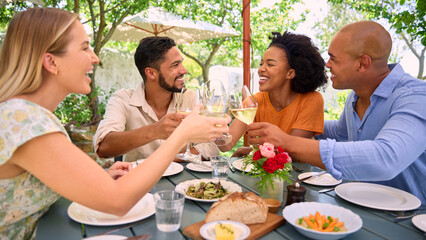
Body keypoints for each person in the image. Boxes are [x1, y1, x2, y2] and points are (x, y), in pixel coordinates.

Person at [0, 8, 230, 239]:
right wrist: (181, 134)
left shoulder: (27, 116)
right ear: (50, 61)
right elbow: (117, 201)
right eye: (84, 47)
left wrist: (97, 180)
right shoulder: (24, 120)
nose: (95, 57)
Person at [246, 21, 426, 204]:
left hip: (413, 218)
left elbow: (386, 158)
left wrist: (287, 141)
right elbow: (339, 132)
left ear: (363, 63)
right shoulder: (355, 97)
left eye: (334, 58)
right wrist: (292, 121)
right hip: (365, 204)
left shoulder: (416, 96)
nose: (327, 64)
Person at [93, 36, 218, 162]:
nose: (184, 70)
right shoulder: (123, 99)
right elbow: (103, 147)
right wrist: (155, 130)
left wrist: (162, 161)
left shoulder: (190, 98)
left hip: (186, 180)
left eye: (181, 63)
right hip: (138, 179)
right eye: (175, 65)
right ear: (151, 73)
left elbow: (212, 146)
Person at [220, 31, 327, 155]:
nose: (261, 69)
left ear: (290, 73)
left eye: (270, 64)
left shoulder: (311, 100)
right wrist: (212, 125)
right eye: (261, 64)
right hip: (265, 173)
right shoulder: (254, 102)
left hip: (298, 173)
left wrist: (250, 151)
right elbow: (226, 144)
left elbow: (292, 151)